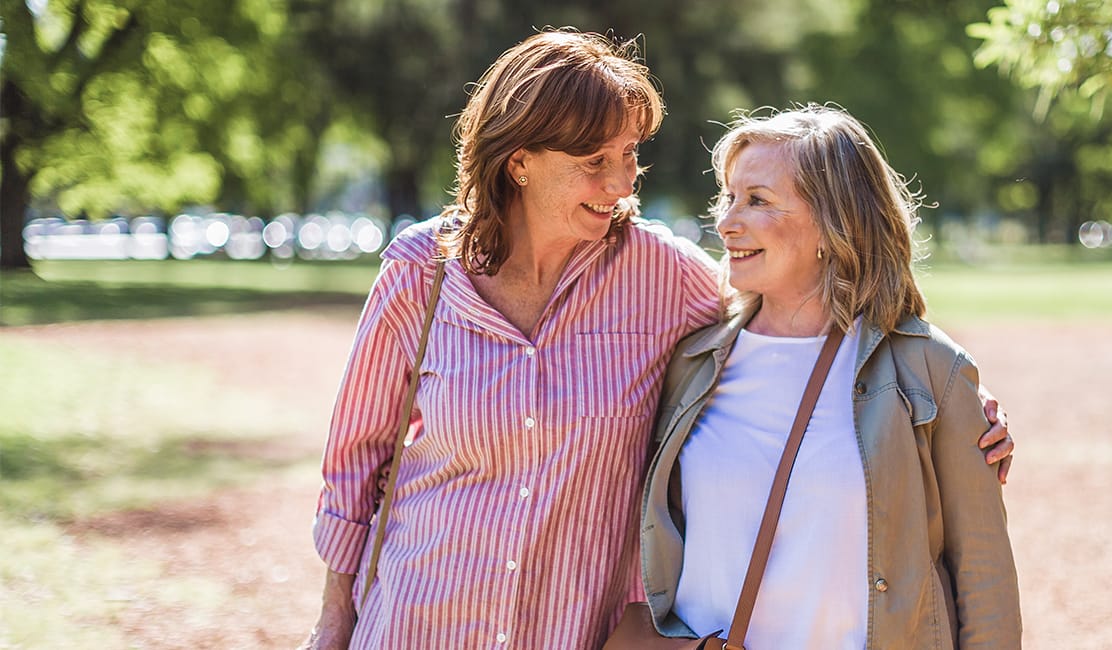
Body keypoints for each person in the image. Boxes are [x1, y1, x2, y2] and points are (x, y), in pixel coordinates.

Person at [301, 32, 1015, 650]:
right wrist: (333, 625)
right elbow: (355, 467)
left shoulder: (665, 277)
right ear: (518, 161)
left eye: (629, 155)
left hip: (574, 632)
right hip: (417, 623)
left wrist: (953, 398)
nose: (620, 183)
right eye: (594, 162)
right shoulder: (419, 276)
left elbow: (805, 303)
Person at [637, 105, 1021, 649]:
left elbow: (985, 580)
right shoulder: (690, 362)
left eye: (758, 201)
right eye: (728, 197)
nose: (725, 222)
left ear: (832, 222)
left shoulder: (930, 372)